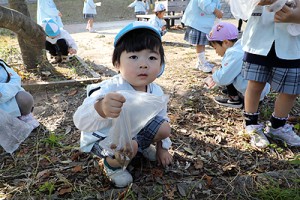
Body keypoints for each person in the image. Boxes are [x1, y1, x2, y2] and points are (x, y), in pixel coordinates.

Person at [73, 21, 173, 188]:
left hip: (135, 132)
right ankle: (113, 166)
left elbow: (162, 118)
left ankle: (140, 146)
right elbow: (80, 120)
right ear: (117, 64)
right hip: (106, 138)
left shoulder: (156, 92)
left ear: (161, 64)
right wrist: (101, 108)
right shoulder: (110, 89)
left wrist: (163, 148)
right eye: (133, 57)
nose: (143, 64)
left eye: (152, 57)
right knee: (129, 146)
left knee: (164, 128)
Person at [240, 0, 300, 148]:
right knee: (255, 83)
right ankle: (251, 124)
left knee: (290, 89)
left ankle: (277, 126)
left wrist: (296, 16)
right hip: (260, 36)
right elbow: (240, 6)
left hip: (292, 41)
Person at [204, 22, 270, 109]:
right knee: (227, 68)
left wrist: (214, 71)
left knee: (225, 71)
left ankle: (234, 99)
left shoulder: (234, 53)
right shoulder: (241, 44)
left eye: (215, 48)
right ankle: (240, 94)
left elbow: (222, 79)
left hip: (252, 92)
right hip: (262, 87)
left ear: (225, 42)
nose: (216, 52)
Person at [181, 0, 223, 73]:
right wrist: (215, 10)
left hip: (203, 21)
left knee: (202, 43)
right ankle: (202, 63)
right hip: (199, 21)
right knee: (200, 43)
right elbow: (203, 3)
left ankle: (201, 62)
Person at [0, 59, 39, 129]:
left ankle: (24, 117)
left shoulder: (1, 66)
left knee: (25, 99)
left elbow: (15, 80)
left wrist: (3, 92)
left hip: (8, 100)